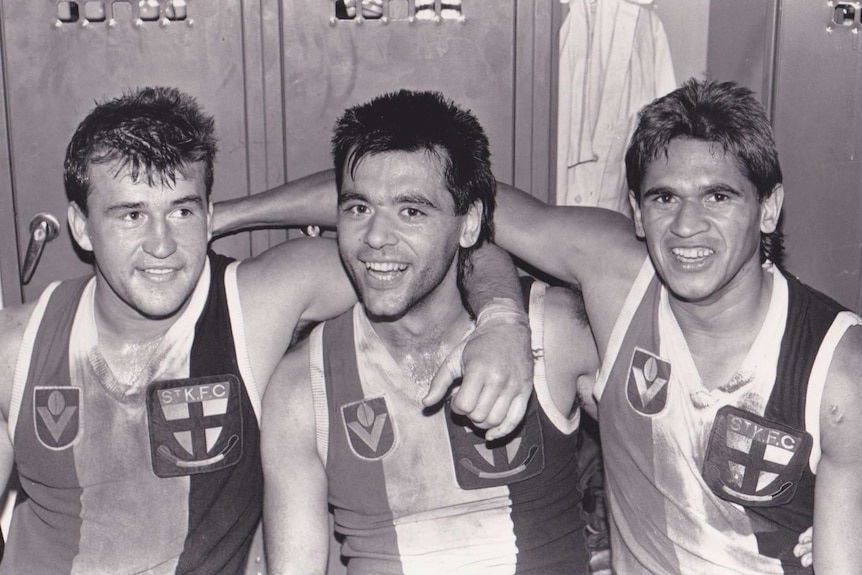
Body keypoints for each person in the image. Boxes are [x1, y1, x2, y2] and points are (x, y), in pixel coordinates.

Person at [226, 80, 832, 573]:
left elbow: (466, 213)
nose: (688, 224)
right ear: (637, 210)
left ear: (768, 207)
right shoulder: (301, 388)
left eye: (719, 198)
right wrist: (217, 217)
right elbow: (431, 208)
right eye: (665, 198)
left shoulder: (571, 331)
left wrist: (504, 318)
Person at [0, 86, 534, 574]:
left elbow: (442, 236)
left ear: (208, 214)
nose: (161, 245)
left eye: (182, 212)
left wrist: (501, 319)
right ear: (79, 227)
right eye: (131, 216)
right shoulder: (16, 347)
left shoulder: (256, 302)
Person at [260, 90, 601, 574]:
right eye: (358, 208)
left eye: (412, 211)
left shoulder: (555, 331)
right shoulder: (302, 387)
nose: (376, 237)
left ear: (470, 224)